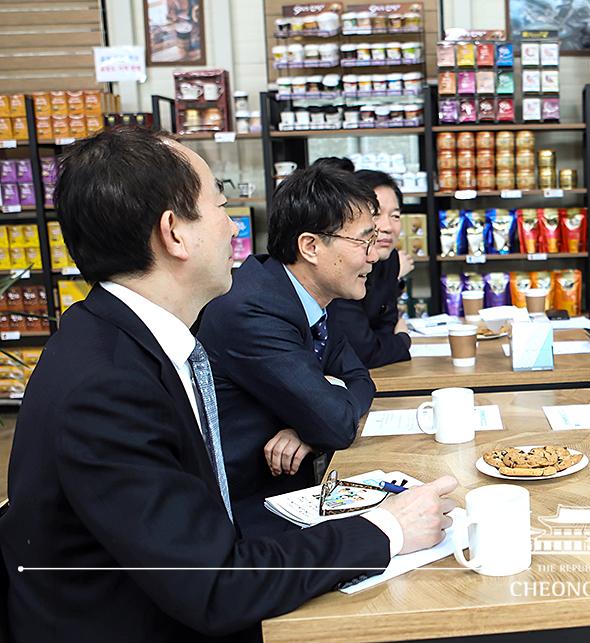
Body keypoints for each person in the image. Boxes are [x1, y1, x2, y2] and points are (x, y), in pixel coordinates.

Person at [0, 127, 458, 641]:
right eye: (221, 206)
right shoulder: (106, 386)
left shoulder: (129, 338)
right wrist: (388, 528)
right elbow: (214, 584)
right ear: (175, 233)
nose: (235, 231)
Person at [196, 163, 380, 536]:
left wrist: (308, 426)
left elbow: (360, 379)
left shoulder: (303, 296)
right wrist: (320, 419)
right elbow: (338, 425)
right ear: (310, 246)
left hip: (290, 493)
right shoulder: (252, 309)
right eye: (364, 241)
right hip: (245, 520)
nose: (373, 256)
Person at [327, 168, 416, 368]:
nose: (387, 227)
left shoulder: (389, 258)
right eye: (376, 214)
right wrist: (403, 340)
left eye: (395, 216)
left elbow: (385, 326)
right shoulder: (340, 264)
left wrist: (387, 341)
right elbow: (363, 351)